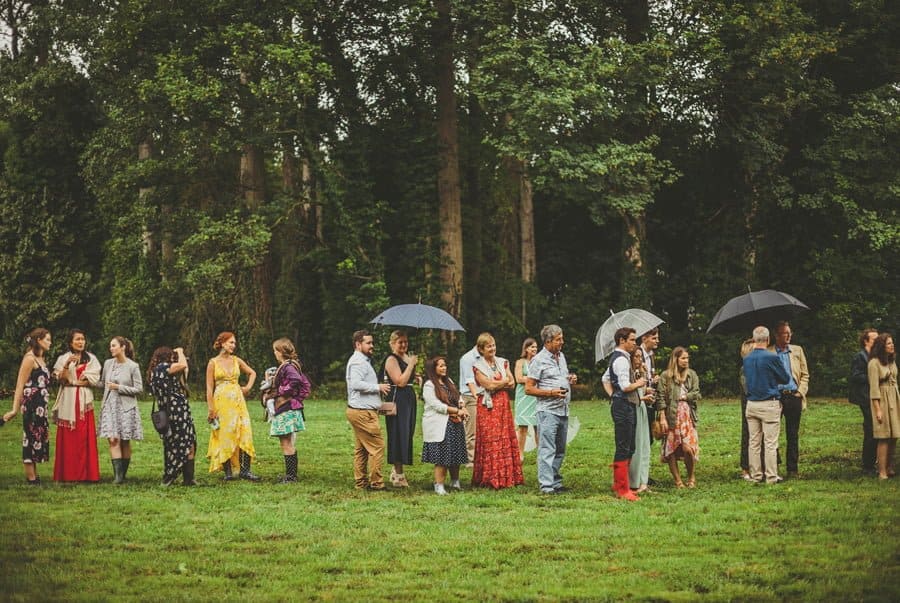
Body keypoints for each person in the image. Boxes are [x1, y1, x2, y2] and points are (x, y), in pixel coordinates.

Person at [526, 324, 577, 494]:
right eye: (558, 339)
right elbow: (529, 388)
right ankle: (546, 486)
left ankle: (555, 481)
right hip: (547, 411)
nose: (562, 342)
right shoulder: (538, 360)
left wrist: (569, 379)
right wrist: (550, 392)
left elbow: (560, 378)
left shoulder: (561, 357)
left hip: (563, 409)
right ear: (548, 341)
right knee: (547, 448)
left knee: (560, 449)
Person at [472, 332, 523, 489]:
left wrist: (499, 383)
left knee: (504, 437)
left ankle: (507, 477)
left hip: (502, 404)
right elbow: (489, 386)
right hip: (488, 406)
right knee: (490, 440)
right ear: (481, 349)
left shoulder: (502, 362)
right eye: (488, 346)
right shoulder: (477, 366)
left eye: (493, 345)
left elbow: (512, 383)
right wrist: (503, 382)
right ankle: (490, 478)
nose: (492, 348)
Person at [206, 331, 259, 481]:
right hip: (221, 402)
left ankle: (245, 470)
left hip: (238, 400)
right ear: (222, 343)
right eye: (231, 342)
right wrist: (211, 408)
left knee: (244, 430)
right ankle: (228, 472)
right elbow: (209, 388)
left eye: (234, 343)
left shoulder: (236, 360)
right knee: (225, 433)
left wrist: (247, 387)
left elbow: (252, 373)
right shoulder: (213, 363)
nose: (234, 346)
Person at [3, 328, 53, 485]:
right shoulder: (29, 359)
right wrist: (14, 409)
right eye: (47, 339)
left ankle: (35, 474)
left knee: (38, 437)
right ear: (38, 340)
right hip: (31, 405)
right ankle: (31, 477)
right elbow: (20, 385)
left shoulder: (41, 358)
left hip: (41, 406)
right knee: (30, 437)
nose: (50, 343)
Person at [743, 326, 792, 484]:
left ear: (754, 339)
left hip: (751, 403)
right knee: (770, 443)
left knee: (754, 442)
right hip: (768, 402)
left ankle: (756, 475)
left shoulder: (747, 358)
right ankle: (771, 476)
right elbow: (785, 378)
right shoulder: (771, 357)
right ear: (768, 339)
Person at [52, 329, 102, 482]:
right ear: (70, 342)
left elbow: (92, 380)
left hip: (84, 399)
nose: (81, 342)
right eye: (77, 339)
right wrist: (67, 366)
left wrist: (76, 382)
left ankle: (87, 474)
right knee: (69, 437)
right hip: (68, 399)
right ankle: (68, 473)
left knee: (84, 437)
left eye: (83, 339)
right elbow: (61, 380)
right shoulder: (63, 358)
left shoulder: (91, 359)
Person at [346, 330, 392, 490]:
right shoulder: (358, 362)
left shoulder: (362, 360)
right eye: (368, 343)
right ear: (358, 344)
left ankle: (361, 482)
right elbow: (356, 384)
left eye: (372, 342)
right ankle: (377, 483)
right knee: (377, 447)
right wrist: (377, 387)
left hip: (359, 410)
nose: (372, 346)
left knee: (361, 449)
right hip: (362, 413)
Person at [604, 327, 644, 500]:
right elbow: (625, 386)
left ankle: (621, 483)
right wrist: (640, 383)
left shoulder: (622, 358)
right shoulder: (621, 360)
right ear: (622, 340)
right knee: (623, 446)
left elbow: (605, 378)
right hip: (623, 406)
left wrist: (613, 395)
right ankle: (622, 489)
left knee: (630, 446)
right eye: (633, 340)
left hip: (625, 404)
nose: (635, 343)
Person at [148, 346, 197, 486]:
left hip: (169, 411)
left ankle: (184, 477)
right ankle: (178, 476)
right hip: (177, 412)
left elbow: (183, 373)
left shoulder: (155, 371)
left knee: (178, 443)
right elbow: (182, 365)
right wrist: (180, 352)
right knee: (184, 442)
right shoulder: (163, 367)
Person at [421, 356, 470, 494]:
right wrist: (456, 411)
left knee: (456, 454)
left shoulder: (449, 382)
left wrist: (462, 406)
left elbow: (458, 396)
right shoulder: (429, 385)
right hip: (440, 423)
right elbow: (436, 405)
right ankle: (439, 485)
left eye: (445, 365)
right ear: (433, 368)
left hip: (454, 422)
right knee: (442, 456)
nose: (444, 368)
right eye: (440, 366)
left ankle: (455, 482)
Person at [265, 337, 311, 483]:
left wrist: (281, 390)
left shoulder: (288, 367)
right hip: (289, 407)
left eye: (275, 350)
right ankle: (291, 474)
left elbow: (296, 380)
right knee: (287, 441)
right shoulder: (290, 365)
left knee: (286, 442)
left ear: (280, 352)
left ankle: (291, 477)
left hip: (286, 408)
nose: (274, 353)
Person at [99, 336, 144, 484]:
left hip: (126, 407)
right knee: (113, 439)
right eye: (110, 346)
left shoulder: (133, 366)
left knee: (124, 440)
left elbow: (138, 389)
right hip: (109, 405)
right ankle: (117, 477)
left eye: (113, 345)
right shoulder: (107, 364)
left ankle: (123, 474)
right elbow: (103, 383)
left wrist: (119, 387)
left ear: (123, 347)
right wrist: (86, 379)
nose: (111, 348)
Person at [768, 321, 809, 479]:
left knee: (793, 433)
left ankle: (792, 469)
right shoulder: (769, 352)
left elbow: (805, 374)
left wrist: (800, 392)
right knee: (773, 433)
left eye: (790, 333)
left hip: (793, 395)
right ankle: (774, 466)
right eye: (785, 333)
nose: (789, 336)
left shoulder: (797, 350)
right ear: (776, 335)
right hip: (776, 397)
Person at [379, 330, 418, 488]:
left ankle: (398, 470)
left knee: (407, 433)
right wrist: (411, 365)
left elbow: (408, 379)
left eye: (406, 342)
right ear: (392, 343)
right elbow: (400, 381)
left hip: (408, 398)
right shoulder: (391, 359)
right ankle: (397, 473)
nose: (404, 345)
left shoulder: (406, 357)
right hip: (398, 399)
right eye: (400, 342)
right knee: (398, 433)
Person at [658, 347, 701, 488]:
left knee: (688, 449)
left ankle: (691, 477)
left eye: (687, 358)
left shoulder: (692, 375)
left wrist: (685, 396)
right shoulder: (666, 376)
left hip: (687, 415)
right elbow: (661, 398)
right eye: (683, 358)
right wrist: (662, 417)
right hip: (671, 415)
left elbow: (697, 393)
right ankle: (678, 481)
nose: (686, 361)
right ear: (675, 359)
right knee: (671, 449)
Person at [868, 333, 898, 480]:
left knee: (894, 436)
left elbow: (895, 382)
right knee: (884, 436)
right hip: (882, 401)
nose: (892, 345)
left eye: (892, 343)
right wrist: (878, 409)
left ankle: (889, 466)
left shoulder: (892, 362)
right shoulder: (874, 363)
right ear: (881, 346)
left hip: (894, 398)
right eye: (888, 344)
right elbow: (874, 389)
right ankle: (881, 471)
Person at [849, 328, 879, 475]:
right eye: (874, 339)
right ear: (866, 341)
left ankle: (873, 462)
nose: (877, 341)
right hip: (865, 397)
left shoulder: (876, 356)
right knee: (870, 429)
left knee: (875, 429)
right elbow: (855, 376)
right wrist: (872, 377)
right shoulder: (860, 356)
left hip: (874, 396)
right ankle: (867, 465)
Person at [628, 348, 654, 493]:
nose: (639, 360)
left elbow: (642, 390)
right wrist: (643, 397)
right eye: (636, 357)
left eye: (640, 356)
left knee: (645, 444)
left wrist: (646, 391)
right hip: (635, 408)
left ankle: (643, 481)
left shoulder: (639, 373)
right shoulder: (629, 374)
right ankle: (634, 481)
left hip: (643, 408)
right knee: (636, 444)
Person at [738, 337, 765, 481]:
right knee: (748, 434)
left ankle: (762, 466)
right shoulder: (744, 369)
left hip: (759, 402)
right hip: (749, 404)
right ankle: (746, 467)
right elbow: (747, 388)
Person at [639, 328, 660, 486]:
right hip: (640, 400)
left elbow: (649, 377)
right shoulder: (637, 354)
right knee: (642, 438)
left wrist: (654, 379)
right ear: (644, 338)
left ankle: (645, 472)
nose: (657, 341)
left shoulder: (651, 356)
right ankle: (639, 474)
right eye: (654, 338)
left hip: (650, 399)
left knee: (649, 438)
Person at [513, 337, 539, 462]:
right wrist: (533, 379)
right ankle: (520, 454)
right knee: (522, 427)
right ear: (526, 348)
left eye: (535, 347)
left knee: (537, 426)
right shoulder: (520, 362)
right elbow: (518, 378)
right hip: (523, 397)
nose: (534, 349)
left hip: (535, 396)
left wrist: (527, 378)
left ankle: (541, 454)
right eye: (532, 347)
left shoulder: (538, 362)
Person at [458, 343, 481, 465]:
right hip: (470, 396)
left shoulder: (485, 357)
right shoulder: (467, 358)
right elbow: (469, 381)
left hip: (481, 394)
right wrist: (477, 398)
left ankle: (478, 457)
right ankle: (470, 460)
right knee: (471, 430)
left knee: (480, 429)